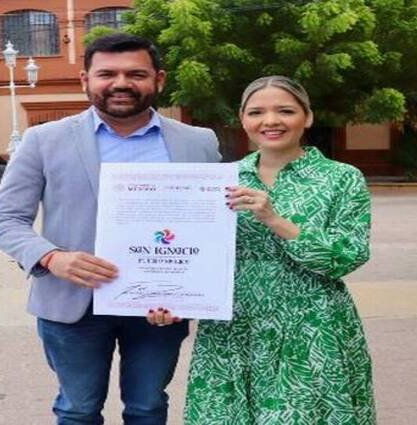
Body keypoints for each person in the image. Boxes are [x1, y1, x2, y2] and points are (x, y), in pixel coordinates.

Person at [0, 33, 221, 424]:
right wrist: (52, 257)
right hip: (73, 302)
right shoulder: (43, 140)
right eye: (107, 74)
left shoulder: (198, 142)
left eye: (136, 74)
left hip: (159, 305)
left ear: (159, 79)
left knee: (148, 408)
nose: (121, 83)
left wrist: (195, 289)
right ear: (86, 80)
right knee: (78, 410)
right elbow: (5, 218)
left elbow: (211, 222)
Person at [148, 75, 376, 424]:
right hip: (231, 328)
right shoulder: (221, 179)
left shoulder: (341, 178)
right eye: (256, 112)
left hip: (310, 325)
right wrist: (174, 299)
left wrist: (275, 219)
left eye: (285, 111)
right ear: (243, 120)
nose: (271, 121)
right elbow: (192, 252)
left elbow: (348, 256)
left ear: (307, 117)